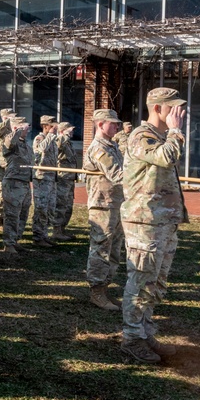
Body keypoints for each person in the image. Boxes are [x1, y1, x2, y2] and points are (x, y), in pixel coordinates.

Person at [120, 88, 188, 364]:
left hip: (162, 220)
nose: (178, 113)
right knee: (140, 281)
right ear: (158, 109)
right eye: (172, 108)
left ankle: (145, 332)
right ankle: (131, 338)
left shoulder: (160, 137)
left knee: (155, 283)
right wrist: (175, 131)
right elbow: (165, 157)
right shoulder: (141, 136)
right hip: (144, 221)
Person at [83, 109, 125, 311]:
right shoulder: (99, 148)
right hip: (102, 205)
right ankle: (97, 291)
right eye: (113, 123)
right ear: (100, 124)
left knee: (115, 250)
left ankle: (105, 288)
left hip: (116, 203)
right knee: (101, 248)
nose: (117, 126)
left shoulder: (112, 145)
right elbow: (118, 175)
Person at [0, 116, 31, 256]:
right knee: (12, 214)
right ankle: (9, 243)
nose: (28, 130)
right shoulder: (10, 141)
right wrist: (17, 130)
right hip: (13, 182)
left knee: (23, 213)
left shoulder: (25, 144)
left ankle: (16, 239)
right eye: (25, 127)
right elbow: (9, 143)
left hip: (24, 182)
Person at [31, 115, 59, 247]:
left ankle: (44, 234)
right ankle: (37, 236)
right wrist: (50, 136)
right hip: (42, 178)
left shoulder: (52, 140)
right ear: (45, 126)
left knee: (50, 208)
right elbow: (41, 149)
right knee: (41, 208)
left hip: (51, 178)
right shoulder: (40, 138)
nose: (55, 128)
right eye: (53, 126)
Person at [52, 121, 78, 241]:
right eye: (69, 130)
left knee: (68, 206)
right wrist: (62, 135)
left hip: (70, 179)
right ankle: (56, 231)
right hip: (62, 178)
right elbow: (56, 147)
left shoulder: (68, 143)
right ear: (62, 131)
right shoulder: (60, 140)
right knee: (61, 205)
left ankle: (62, 229)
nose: (72, 132)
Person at [0, 109, 15, 227]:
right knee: (1, 193)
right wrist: (7, 121)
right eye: (9, 117)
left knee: (9, 192)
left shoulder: (11, 129)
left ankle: (6, 219)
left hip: (10, 165)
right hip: (1, 166)